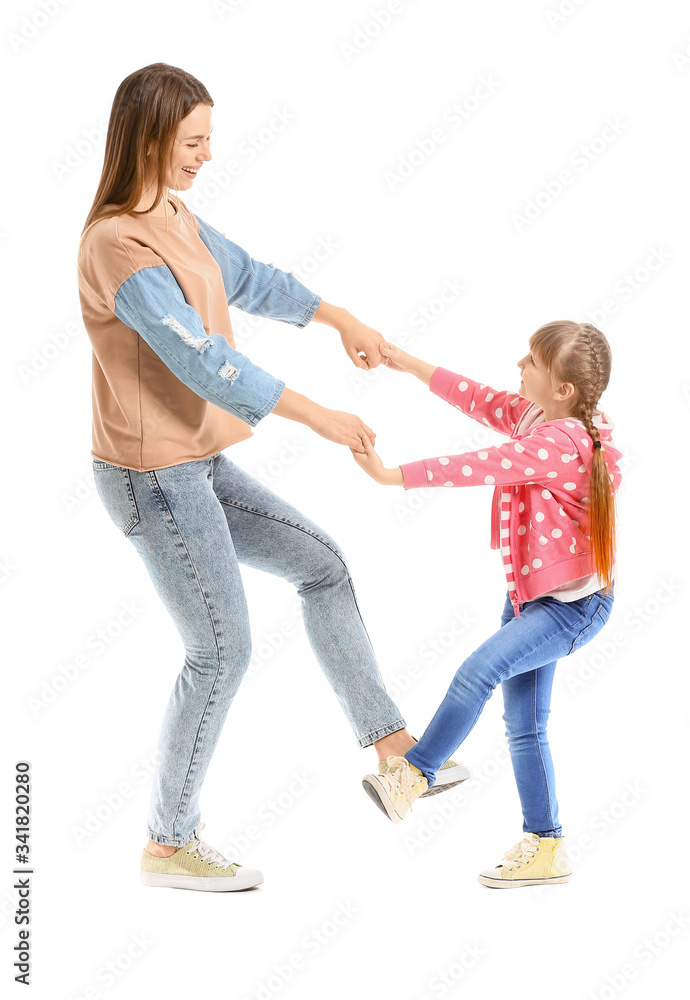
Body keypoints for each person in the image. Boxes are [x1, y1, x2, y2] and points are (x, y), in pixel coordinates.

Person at [76, 62, 466, 892]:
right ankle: (167, 842)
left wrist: (337, 318)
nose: (206, 155)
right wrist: (324, 419)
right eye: (192, 141)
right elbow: (207, 363)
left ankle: (393, 752)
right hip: (153, 479)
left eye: (209, 139)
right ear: (147, 137)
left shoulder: (174, 215)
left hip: (198, 462)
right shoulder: (117, 243)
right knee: (220, 651)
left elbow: (250, 279)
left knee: (322, 566)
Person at [351, 321, 622, 888]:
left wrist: (390, 475)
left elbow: (480, 465)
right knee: (524, 725)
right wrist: (405, 361)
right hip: (532, 596)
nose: (517, 364)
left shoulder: (559, 442)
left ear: (563, 389)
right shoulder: (539, 418)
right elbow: (478, 398)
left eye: (530, 361)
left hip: (572, 608)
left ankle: (416, 774)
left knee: (478, 671)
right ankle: (546, 845)